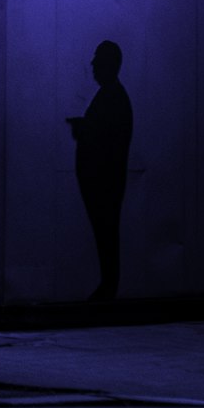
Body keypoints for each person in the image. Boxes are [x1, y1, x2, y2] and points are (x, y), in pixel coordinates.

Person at [67, 39, 133, 302]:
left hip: (103, 184)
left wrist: (83, 131)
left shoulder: (112, 97)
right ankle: (108, 285)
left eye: (97, 60)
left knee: (106, 233)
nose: (92, 64)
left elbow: (106, 139)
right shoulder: (113, 96)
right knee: (106, 234)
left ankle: (108, 286)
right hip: (104, 183)